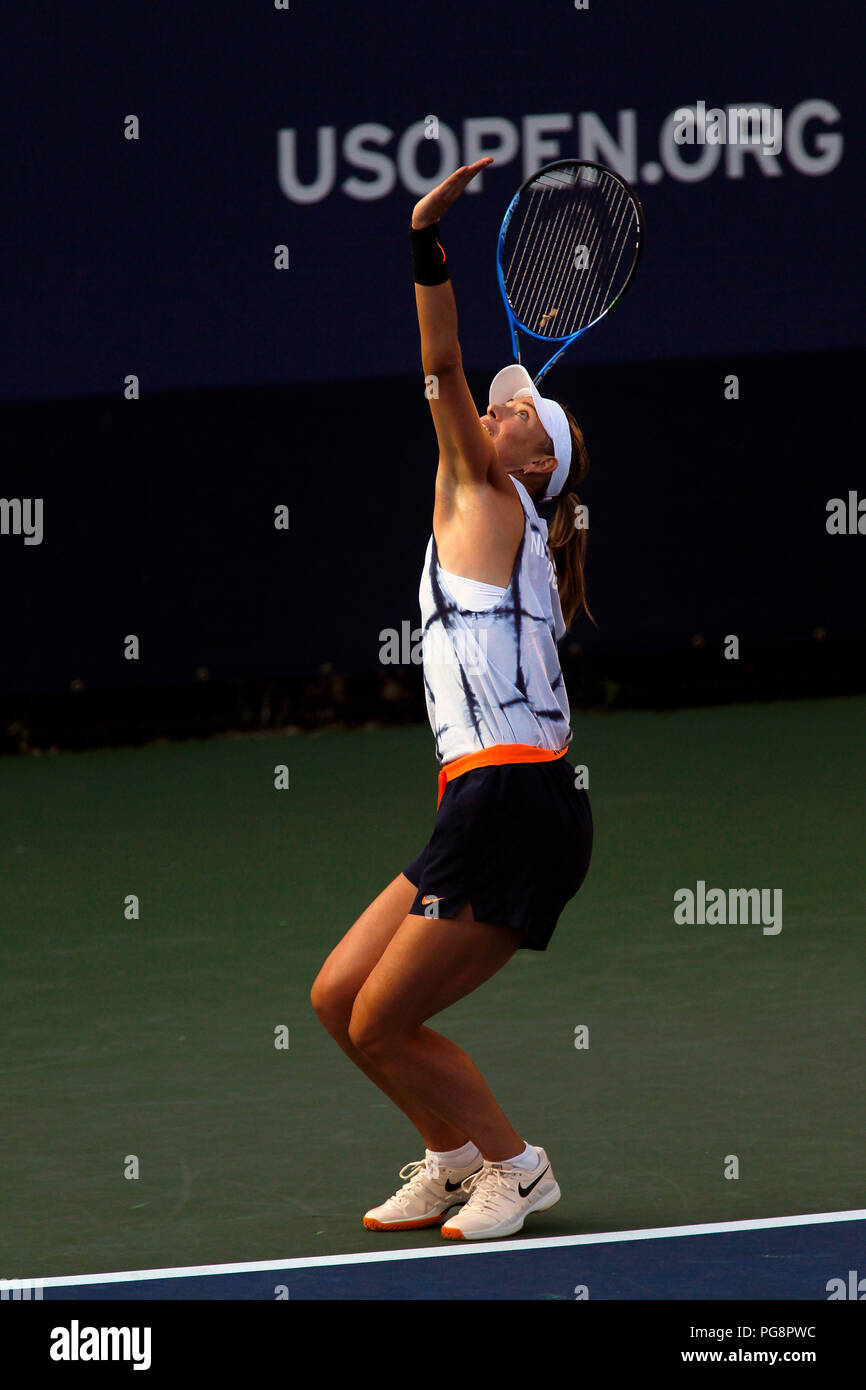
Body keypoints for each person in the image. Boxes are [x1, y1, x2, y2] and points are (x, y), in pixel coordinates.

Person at [310, 158, 593, 1241]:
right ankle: (450, 1156)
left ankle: (514, 1169)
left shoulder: (484, 486)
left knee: (384, 1016)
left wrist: (424, 239)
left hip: (515, 804)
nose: (503, 402)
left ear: (532, 465)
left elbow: (439, 358)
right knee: (338, 1000)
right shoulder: (487, 500)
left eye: (524, 411)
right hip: (478, 804)